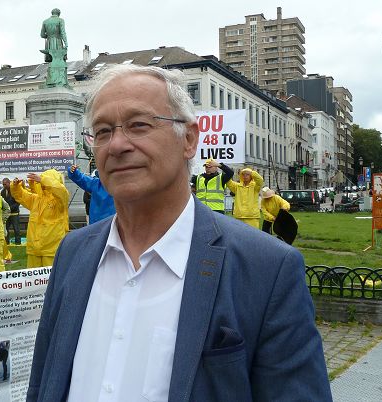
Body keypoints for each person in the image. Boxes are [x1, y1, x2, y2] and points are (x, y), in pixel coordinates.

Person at [26, 64, 331, 401]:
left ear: (189, 139)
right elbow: (43, 382)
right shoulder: (73, 252)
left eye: (138, 125)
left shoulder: (267, 269)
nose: (116, 145)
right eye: (101, 131)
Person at [11, 170, 69, 268]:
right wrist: (15, 186)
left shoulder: (60, 201)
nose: (41, 184)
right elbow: (20, 195)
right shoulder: (36, 199)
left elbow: (61, 190)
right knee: (33, 280)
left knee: (50, 280)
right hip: (34, 249)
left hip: (51, 250)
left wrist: (43, 180)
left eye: (45, 180)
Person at [1, 178, 21, 245]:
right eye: (3, 184)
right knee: (5, 229)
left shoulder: (14, 191)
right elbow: (2, 202)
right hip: (7, 214)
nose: (4, 185)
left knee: (16, 229)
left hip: (14, 213)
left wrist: (9, 208)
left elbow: (18, 202)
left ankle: (18, 243)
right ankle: (7, 243)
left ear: (9, 183)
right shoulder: (2, 192)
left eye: (5, 184)